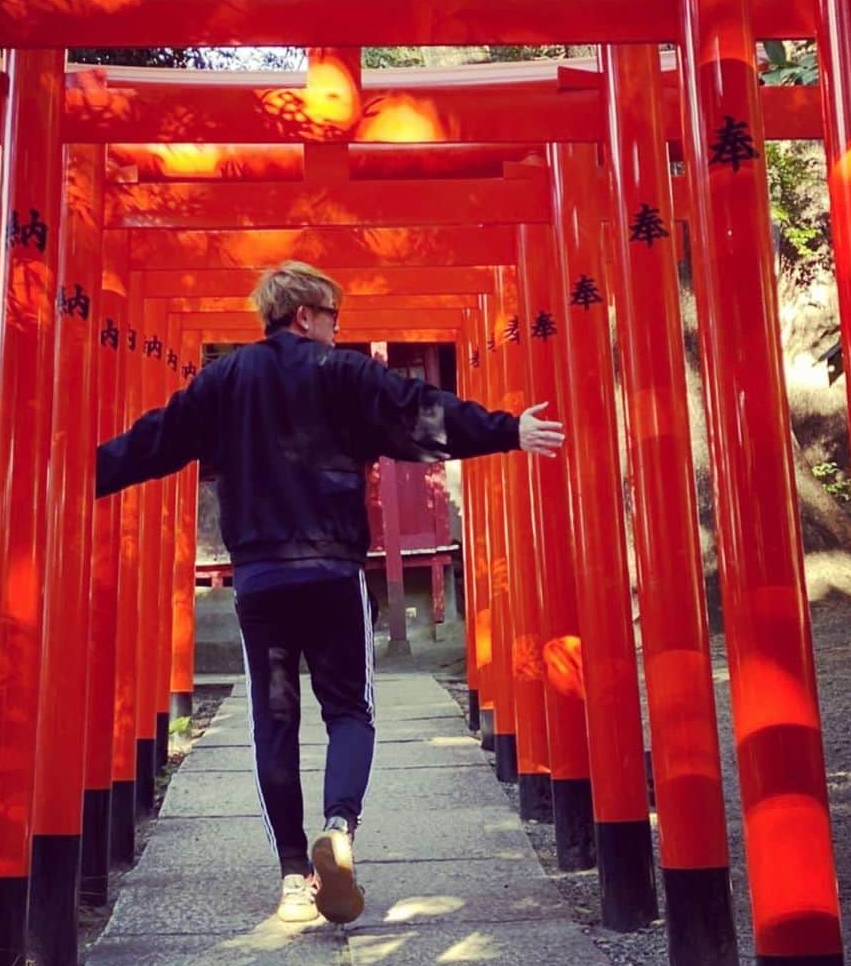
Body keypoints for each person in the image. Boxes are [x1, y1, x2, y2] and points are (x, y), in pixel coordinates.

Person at [96, 260, 565, 925]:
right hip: (332, 571)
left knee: (275, 721)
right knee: (349, 711)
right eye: (334, 318)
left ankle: (292, 876)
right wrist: (507, 430)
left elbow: (157, 439)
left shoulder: (223, 380)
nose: (337, 331)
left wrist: (82, 473)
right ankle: (340, 828)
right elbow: (419, 414)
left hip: (260, 577)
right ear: (305, 315)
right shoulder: (341, 372)